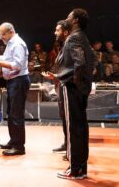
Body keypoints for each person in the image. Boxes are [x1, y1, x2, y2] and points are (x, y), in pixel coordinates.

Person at [46, 9, 95, 179]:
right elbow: (92, 59)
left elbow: (80, 63)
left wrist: (73, 81)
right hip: (79, 88)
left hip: (72, 88)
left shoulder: (74, 37)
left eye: (68, 16)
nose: (66, 18)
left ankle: (75, 169)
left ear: (74, 20)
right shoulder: (83, 37)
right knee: (80, 128)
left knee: (74, 128)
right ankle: (81, 168)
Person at [0, 22, 30, 156]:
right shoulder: (11, 43)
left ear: (10, 32)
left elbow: (17, 65)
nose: (1, 38)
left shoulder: (17, 44)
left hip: (18, 81)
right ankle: (14, 141)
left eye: (2, 35)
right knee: (11, 113)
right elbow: (7, 59)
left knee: (16, 114)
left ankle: (19, 147)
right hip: (13, 81)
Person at [42, 20, 71, 157]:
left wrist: (59, 76)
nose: (55, 33)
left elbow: (77, 67)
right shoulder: (63, 45)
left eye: (57, 30)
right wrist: (55, 76)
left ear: (65, 32)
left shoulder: (72, 43)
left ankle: (71, 148)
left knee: (69, 119)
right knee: (64, 117)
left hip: (68, 87)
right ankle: (67, 144)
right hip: (61, 86)